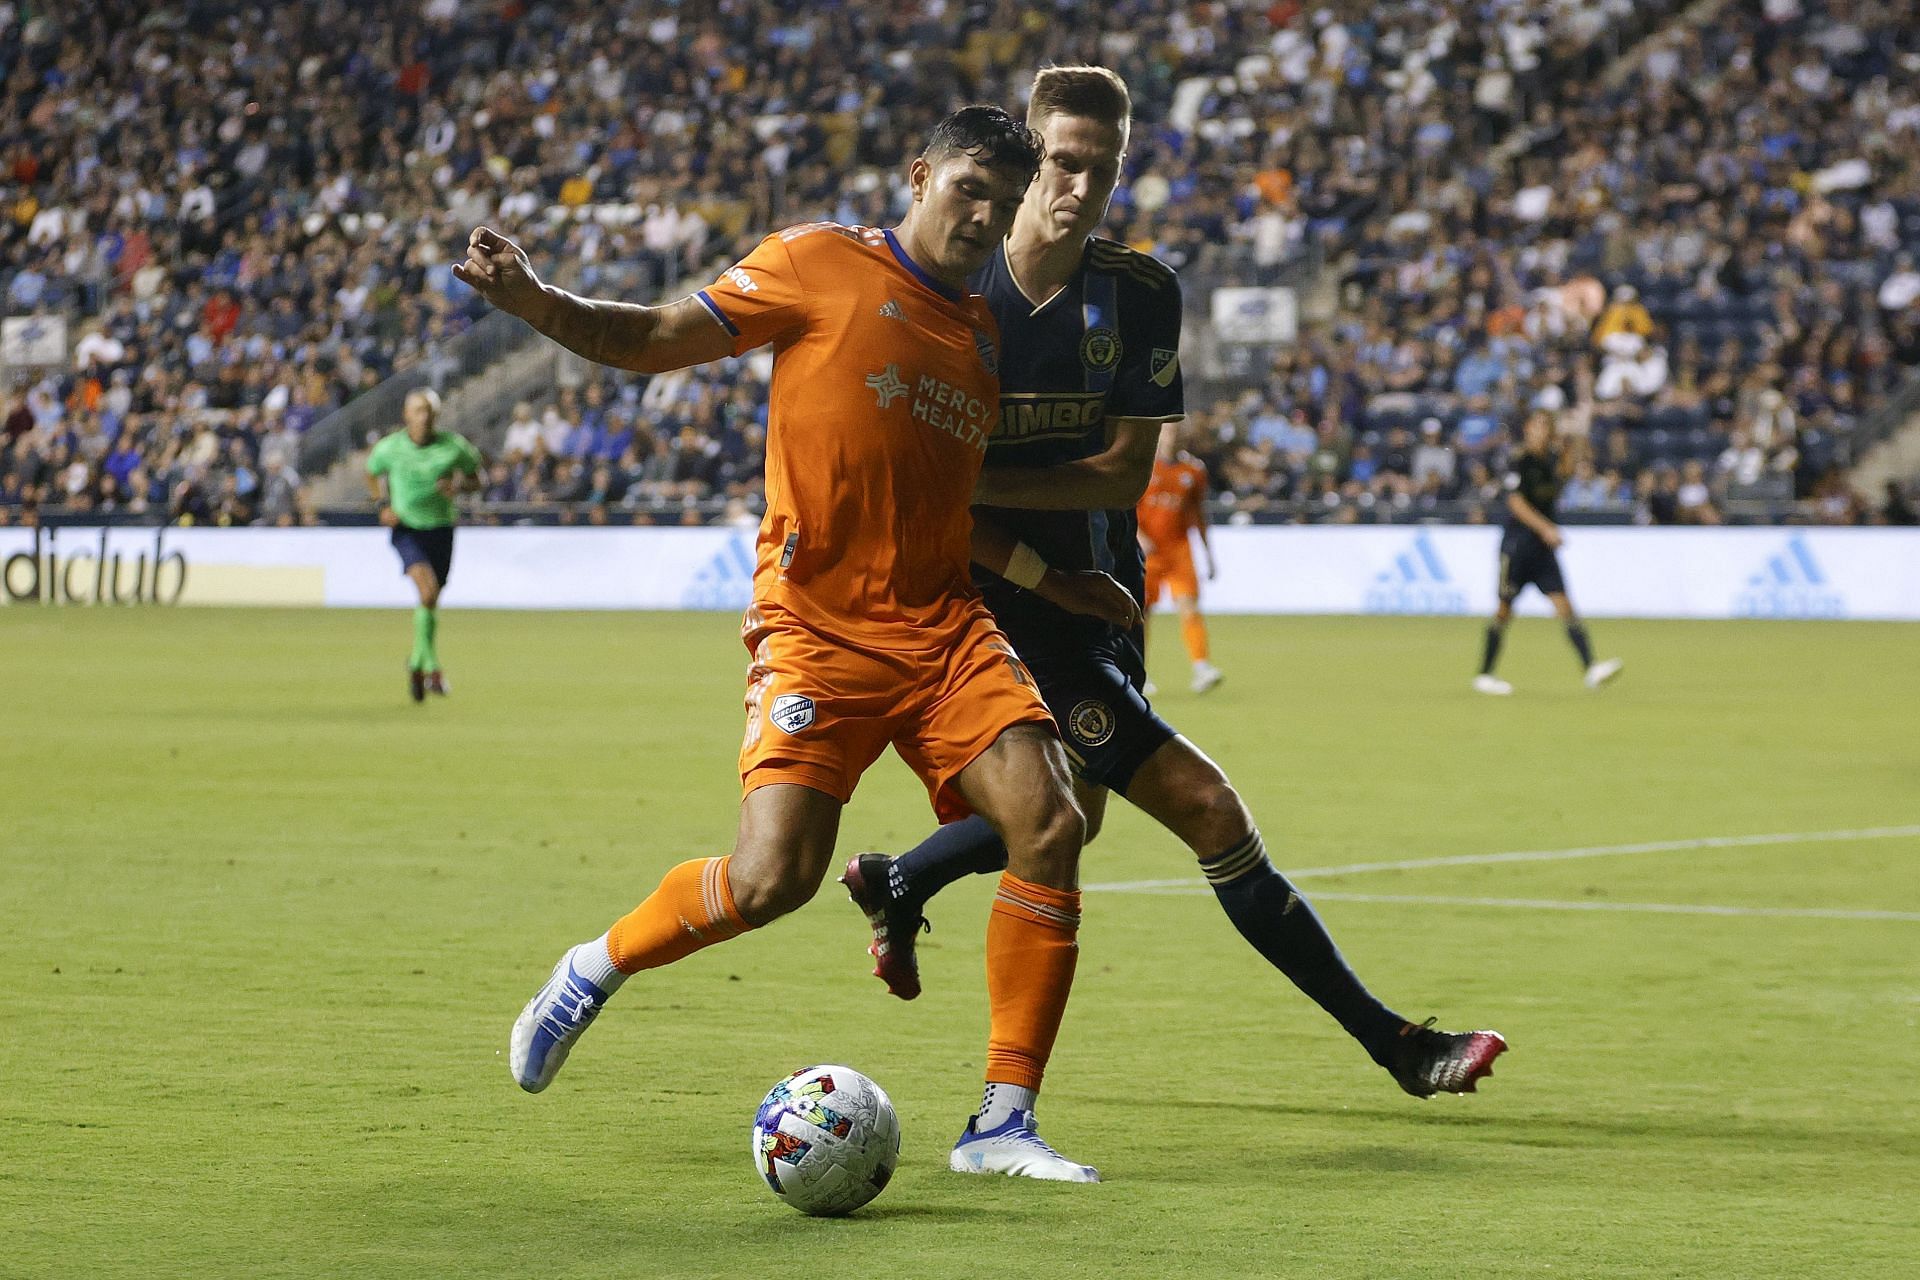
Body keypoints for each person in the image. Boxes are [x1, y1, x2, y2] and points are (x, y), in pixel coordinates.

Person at [455, 107, 1110, 1182]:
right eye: (966, 194)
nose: (982, 219)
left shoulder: (982, 336)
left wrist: (1056, 584)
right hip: (817, 630)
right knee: (771, 880)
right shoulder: (818, 264)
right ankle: (592, 966)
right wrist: (536, 300)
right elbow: (662, 338)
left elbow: (949, 508)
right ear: (918, 176)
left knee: (1049, 818)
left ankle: (1002, 1121)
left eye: (1001, 205)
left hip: (943, 627)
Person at [840, 66, 1508, 1104]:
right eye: (1062, 162)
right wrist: (1024, 556)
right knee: (1207, 806)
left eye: (1101, 170)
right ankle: (1399, 1046)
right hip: (1002, 604)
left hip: (1102, 589)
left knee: (1078, 809)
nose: (1079, 187)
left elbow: (1119, 473)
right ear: (1023, 157)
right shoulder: (952, 290)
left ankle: (903, 876)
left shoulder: (1139, 293)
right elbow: (919, 490)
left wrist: (979, 478)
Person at [1475, 410, 1624, 695]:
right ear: (1528, 428)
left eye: (1547, 425)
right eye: (1539, 425)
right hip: (1517, 546)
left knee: (1565, 606)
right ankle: (1484, 674)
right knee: (1504, 611)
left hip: (1542, 551)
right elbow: (1515, 502)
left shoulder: (1551, 461)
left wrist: (1575, 434)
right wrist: (1545, 528)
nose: (1543, 430)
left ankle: (1591, 668)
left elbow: (1567, 474)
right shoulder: (1519, 460)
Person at [364, 388, 483, 702]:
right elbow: (371, 473)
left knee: (430, 601)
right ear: (406, 415)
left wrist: (457, 485)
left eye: (429, 411)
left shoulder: (454, 447)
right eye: (418, 410)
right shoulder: (390, 448)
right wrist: (382, 506)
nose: (424, 417)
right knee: (427, 592)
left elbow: (476, 479)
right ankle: (432, 668)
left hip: (441, 529)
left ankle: (416, 662)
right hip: (407, 529)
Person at [1138, 421, 1223, 693]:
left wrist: (1209, 554)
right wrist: (1138, 535)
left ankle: (1201, 668)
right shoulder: (1143, 466)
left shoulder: (1194, 471)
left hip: (1179, 549)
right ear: (1159, 435)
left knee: (1189, 606)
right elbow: (1125, 505)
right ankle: (1140, 671)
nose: (1171, 438)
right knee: (1142, 613)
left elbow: (1199, 515)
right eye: (1167, 432)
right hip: (1149, 552)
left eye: (1176, 433)